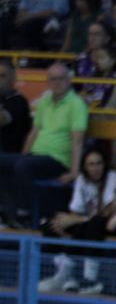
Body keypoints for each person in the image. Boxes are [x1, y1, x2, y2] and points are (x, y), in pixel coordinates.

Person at [0, 63, 86, 229]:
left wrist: (74, 171)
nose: (57, 82)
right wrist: (24, 155)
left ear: (69, 81)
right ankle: (4, 212)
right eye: (53, 79)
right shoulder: (45, 102)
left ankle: (24, 213)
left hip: (58, 160)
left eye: (61, 78)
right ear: (47, 82)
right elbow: (33, 133)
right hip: (36, 157)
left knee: (22, 165)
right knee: (4, 160)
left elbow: (78, 139)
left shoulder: (76, 104)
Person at [36, 143, 116, 295]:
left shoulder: (111, 177)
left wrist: (77, 219)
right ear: (85, 167)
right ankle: (66, 276)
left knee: (93, 224)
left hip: (105, 225)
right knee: (50, 223)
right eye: (91, 164)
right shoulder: (82, 179)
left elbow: (106, 213)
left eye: (99, 163)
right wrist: (69, 221)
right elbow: (75, 210)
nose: (95, 168)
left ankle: (90, 279)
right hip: (85, 223)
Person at [0, 56, 32, 155]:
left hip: (9, 155)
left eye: (3, 76)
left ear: (13, 79)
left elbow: (2, 120)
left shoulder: (19, 101)